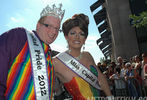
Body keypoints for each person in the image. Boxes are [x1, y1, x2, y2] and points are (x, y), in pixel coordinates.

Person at [0, 4, 65, 100]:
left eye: (57, 28)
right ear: (38, 25)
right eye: (48, 26)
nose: (54, 32)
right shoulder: (19, 36)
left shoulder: (49, 56)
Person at [53, 13, 113, 100]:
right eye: (73, 33)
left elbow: (100, 77)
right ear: (66, 36)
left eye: (81, 33)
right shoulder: (56, 62)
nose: (77, 37)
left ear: (85, 38)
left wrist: (110, 96)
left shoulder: (88, 55)